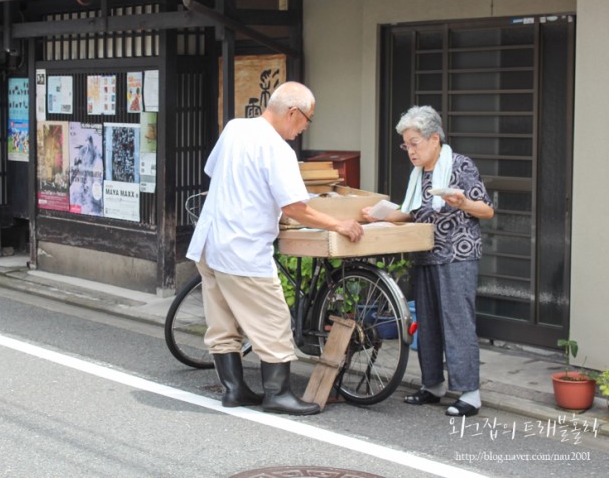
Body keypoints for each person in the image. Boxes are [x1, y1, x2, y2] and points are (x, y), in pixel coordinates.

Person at [186, 81, 364, 416]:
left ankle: (234, 390)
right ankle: (278, 394)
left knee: (223, 322)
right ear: (293, 112)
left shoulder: (235, 129)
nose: (304, 128)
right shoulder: (277, 149)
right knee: (274, 321)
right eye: (306, 120)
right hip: (242, 248)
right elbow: (296, 206)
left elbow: (214, 172)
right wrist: (339, 224)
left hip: (210, 242)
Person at [362, 105, 494, 418]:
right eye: (405, 144)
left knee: (458, 322)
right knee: (430, 323)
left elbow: (486, 210)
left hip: (457, 255)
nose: (410, 151)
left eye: (414, 143)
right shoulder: (419, 174)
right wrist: (377, 215)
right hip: (426, 254)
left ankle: (470, 394)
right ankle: (433, 385)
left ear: (434, 139)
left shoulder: (460, 165)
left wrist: (463, 202)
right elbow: (410, 211)